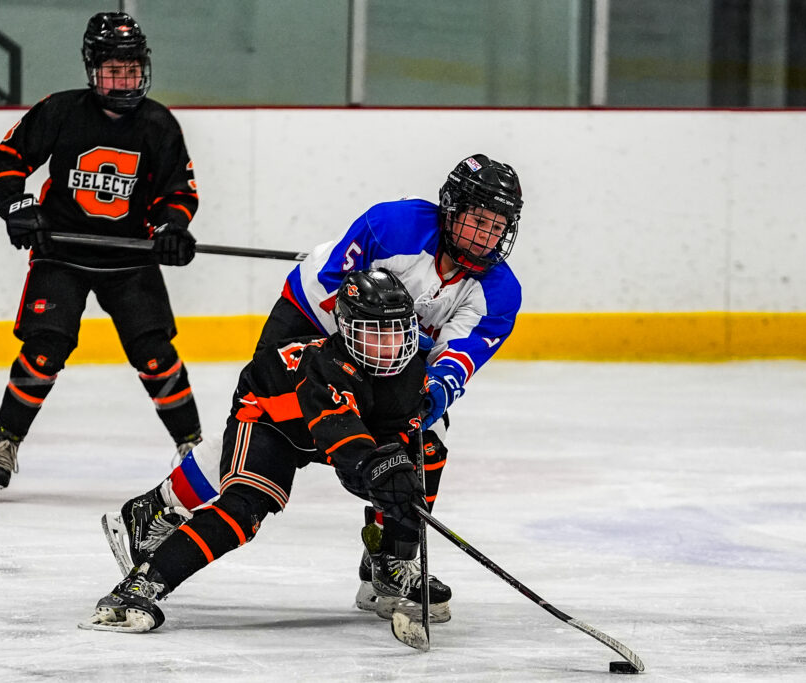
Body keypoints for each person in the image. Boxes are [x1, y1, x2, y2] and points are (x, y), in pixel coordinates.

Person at [108, 153, 523, 621]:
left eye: (497, 226)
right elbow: (331, 286)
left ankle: (390, 563)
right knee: (275, 421)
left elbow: (455, 359)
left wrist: (423, 392)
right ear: (451, 209)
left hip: (388, 356)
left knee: (428, 437)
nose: (485, 236)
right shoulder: (394, 225)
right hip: (311, 321)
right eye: (477, 220)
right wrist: (354, 363)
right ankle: (160, 506)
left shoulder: (500, 292)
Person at [83, 269, 432, 632]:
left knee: (425, 455)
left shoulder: (410, 373)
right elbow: (340, 433)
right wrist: (380, 468)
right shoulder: (328, 367)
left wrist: (402, 484)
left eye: (396, 331)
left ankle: (393, 565)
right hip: (268, 416)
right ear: (346, 329)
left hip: (320, 429)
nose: (389, 345)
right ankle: (142, 584)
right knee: (244, 509)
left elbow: (394, 430)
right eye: (374, 334)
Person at [0, 12, 202, 501]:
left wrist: (172, 228)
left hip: (130, 261)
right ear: (92, 70)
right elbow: (9, 157)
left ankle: (193, 447)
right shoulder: (61, 111)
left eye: (131, 68)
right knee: (44, 350)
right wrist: (16, 207)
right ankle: (5, 442)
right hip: (61, 253)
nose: (124, 79)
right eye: (113, 70)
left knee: (156, 356)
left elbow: (177, 191)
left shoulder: (158, 124)